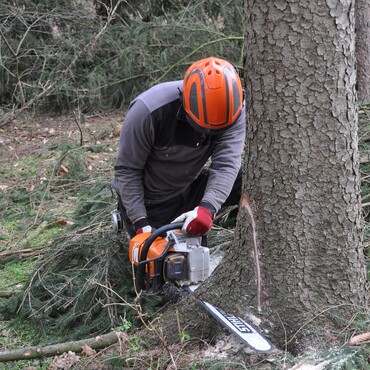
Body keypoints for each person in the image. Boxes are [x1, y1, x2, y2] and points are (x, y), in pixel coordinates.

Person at [111, 56, 246, 238]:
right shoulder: (149, 111)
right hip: (152, 201)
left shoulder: (234, 108)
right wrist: (140, 222)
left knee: (248, 179)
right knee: (165, 260)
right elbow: (128, 170)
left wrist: (208, 208)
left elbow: (226, 164)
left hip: (189, 186)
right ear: (185, 103)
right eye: (202, 128)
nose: (207, 135)